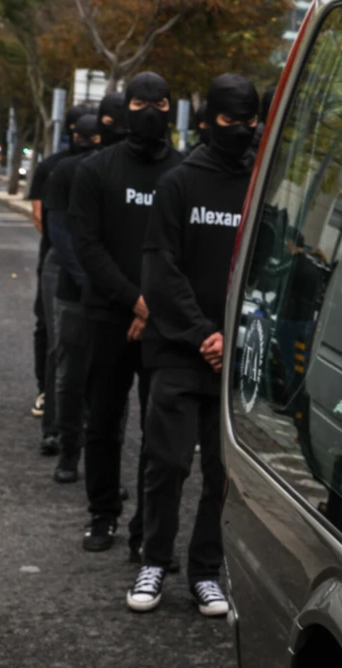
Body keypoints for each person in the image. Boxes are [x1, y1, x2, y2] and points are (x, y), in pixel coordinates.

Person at [127, 73, 258, 616]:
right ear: (208, 121)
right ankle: (154, 561)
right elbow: (160, 271)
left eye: (251, 122)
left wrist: (235, 336)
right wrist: (204, 334)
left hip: (234, 358)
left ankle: (206, 570)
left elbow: (263, 266)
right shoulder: (180, 183)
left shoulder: (259, 184)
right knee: (168, 462)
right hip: (180, 351)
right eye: (231, 122)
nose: (242, 132)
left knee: (221, 476)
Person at [70, 73, 183, 554]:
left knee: (159, 432)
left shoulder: (183, 173)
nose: (151, 111)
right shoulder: (95, 171)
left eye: (161, 102)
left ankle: (148, 532)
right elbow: (87, 247)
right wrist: (133, 299)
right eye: (141, 102)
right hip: (107, 315)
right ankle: (102, 513)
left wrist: (152, 304)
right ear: (126, 107)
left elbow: (186, 250)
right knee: (103, 423)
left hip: (163, 322)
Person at [47, 97, 127, 483]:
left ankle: (105, 470)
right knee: (71, 377)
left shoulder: (133, 174)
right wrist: (87, 279)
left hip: (116, 300)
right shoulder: (69, 171)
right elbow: (62, 232)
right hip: (76, 292)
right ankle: (68, 452)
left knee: (112, 389)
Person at [29, 103, 94, 453]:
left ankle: (74, 417)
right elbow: (45, 219)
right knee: (53, 337)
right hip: (57, 265)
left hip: (80, 269)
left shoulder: (98, 167)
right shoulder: (53, 168)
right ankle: (51, 408)